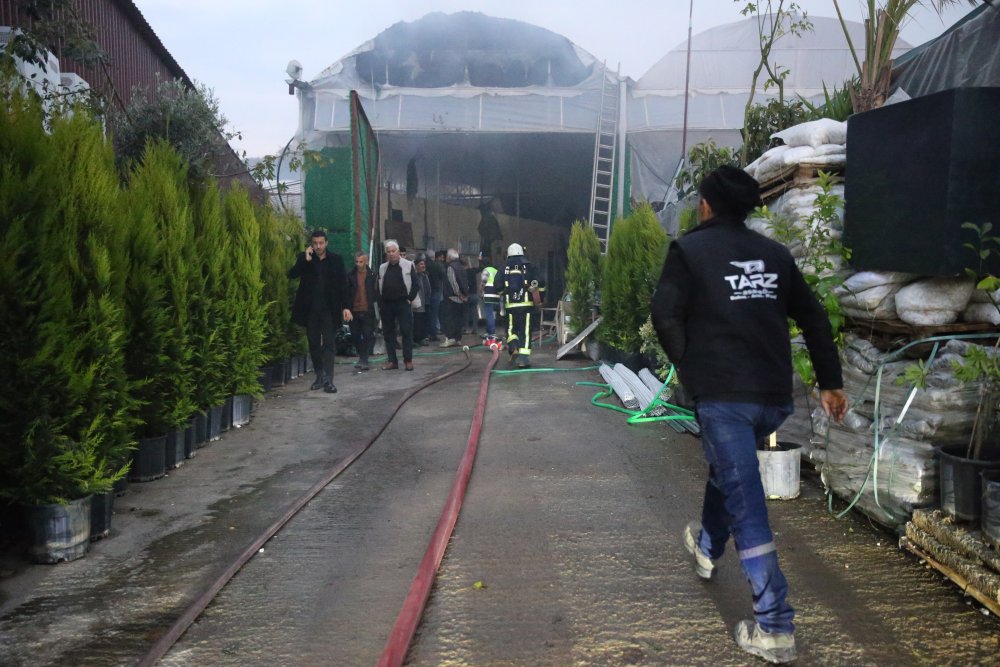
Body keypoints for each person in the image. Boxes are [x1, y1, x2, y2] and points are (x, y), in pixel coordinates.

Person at [650, 165, 848, 665]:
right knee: (729, 472)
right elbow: (814, 316)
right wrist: (830, 382)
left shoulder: (689, 250)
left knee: (747, 501)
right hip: (771, 399)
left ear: (706, 205)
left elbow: (665, 314)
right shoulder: (775, 255)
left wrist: (688, 368)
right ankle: (707, 547)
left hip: (724, 397)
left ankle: (775, 627)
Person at [288, 229, 352, 393]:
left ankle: (329, 380)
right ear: (311, 244)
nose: (318, 246)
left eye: (321, 243)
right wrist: (305, 260)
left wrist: (346, 307)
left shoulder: (336, 260)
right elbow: (292, 274)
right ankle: (319, 376)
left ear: (326, 243)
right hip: (310, 310)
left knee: (329, 343)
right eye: (315, 243)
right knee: (314, 343)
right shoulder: (305, 259)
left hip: (329, 309)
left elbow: (343, 284)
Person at [495, 242, 544, 368]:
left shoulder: (503, 267)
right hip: (526, 306)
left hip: (510, 306)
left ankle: (513, 346)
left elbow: (498, 286)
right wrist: (540, 297)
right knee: (525, 331)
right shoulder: (530, 266)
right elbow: (541, 283)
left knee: (511, 328)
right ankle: (523, 359)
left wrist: (505, 293)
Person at [377, 240, 419, 371]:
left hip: (403, 304)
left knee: (406, 331)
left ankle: (408, 360)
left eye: (393, 251)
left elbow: (415, 284)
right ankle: (392, 361)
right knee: (388, 333)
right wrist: (380, 302)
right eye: (388, 252)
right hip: (387, 305)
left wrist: (409, 299)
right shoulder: (382, 267)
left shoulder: (408, 265)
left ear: (398, 252)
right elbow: (378, 285)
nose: (391, 254)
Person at [347, 250, 378, 371]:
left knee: (367, 335)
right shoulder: (350, 275)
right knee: (355, 335)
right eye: (356, 261)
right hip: (354, 309)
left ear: (366, 261)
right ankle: (361, 357)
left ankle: (364, 359)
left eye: (361, 261)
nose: (358, 264)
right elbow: (346, 291)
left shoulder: (372, 275)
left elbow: (376, 292)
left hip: (368, 309)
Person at [440, 248, 468, 347]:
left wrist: (458, 294)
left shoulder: (451, 267)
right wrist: (464, 295)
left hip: (453, 297)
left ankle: (451, 338)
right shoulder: (461, 267)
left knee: (449, 319)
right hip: (462, 298)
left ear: (449, 257)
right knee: (459, 319)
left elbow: (453, 283)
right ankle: (458, 339)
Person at [412, 254, 433, 346]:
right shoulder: (415, 276)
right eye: (421, 264)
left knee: (424, 321)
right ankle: (417, 339)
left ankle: (422, 338)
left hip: (426, 302)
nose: (423, 266)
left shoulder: (425, 275)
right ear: (416, 266)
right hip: (418, 303)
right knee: (417, 322)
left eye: (424, 264)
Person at [426, 250, 446, 341]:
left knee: (430, 313)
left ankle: (429, 333)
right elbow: (443, 276)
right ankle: (433, 333)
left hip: (428, 291)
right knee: (435, 313)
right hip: (436, 290)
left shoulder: (426, 265)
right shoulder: (438, 265)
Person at [480, 253, 499, 337]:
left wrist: (481, 289)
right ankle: (490, 331)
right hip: (495, 294)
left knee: (489, 313)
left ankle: (491, 332)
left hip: (488, 293)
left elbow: (484, 281)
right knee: (492, 313)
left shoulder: (486, 270)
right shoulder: (495, 270)